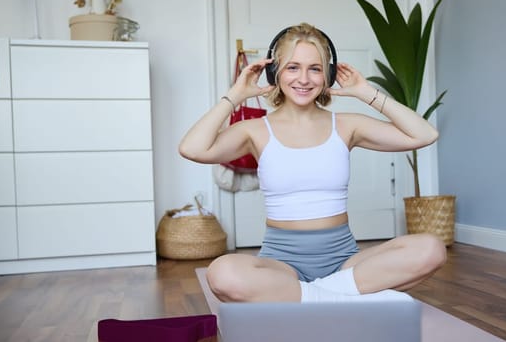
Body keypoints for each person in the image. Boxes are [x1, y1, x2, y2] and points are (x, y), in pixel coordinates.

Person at [178, 23, 445, 303]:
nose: (304, 79)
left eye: (315, 69)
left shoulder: (346, 125)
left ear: (328, 75)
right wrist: (236, 95)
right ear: (275, 72)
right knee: (222, 273)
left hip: (344, 263)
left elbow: (425, 134)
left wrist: (366, 93)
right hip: (281, 267)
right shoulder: (254, 130)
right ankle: (337, 297)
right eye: (293, 67)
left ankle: (311, 298)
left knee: (431, 248)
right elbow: (192, 148)